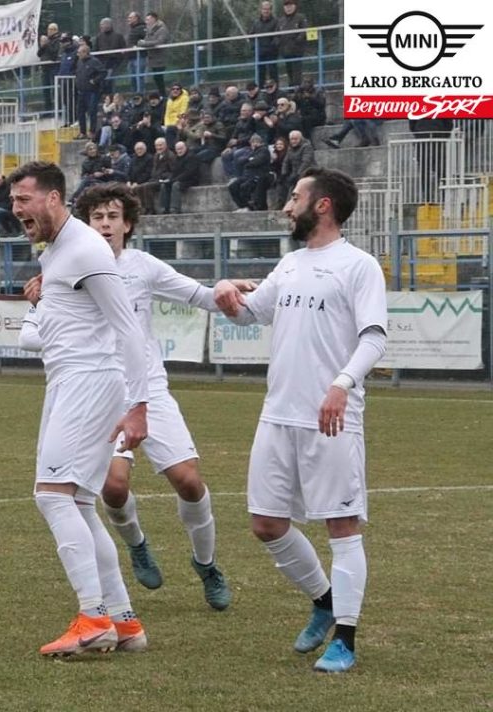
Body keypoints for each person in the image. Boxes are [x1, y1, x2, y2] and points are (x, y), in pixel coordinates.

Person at [24, 182, 240, 610]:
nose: (105, 224)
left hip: (150, 390)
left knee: (188, 480)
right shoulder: (63, 264)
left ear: (128, 224)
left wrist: (229, 289)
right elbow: (38, 330)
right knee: (114, 488)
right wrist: (37, 306)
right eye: (97, 217)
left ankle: (206, 563)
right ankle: (137, 545)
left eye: (113, 217)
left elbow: (199, 296)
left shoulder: (144, 267)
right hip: (104, 389)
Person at [214, 167, 387, 673]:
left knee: (341, 526)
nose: (287, 207)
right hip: (278, 415)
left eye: (295, 198)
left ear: (323, 206)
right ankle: (324, 600)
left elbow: (374, 337)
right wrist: (226, 295)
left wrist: (341, 385)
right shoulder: (290, 265)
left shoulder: (358, 266)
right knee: (266, 523)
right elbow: (250, 313)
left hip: (331, 418)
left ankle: (347, 640)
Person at [8, 161, 150, 657]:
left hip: (90, 382)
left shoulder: (86, 248)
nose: (15, 209)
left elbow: (129, 329)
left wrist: (140, 406)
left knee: (51, 496)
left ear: (52, 198)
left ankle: (93, 616)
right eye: (12, 202)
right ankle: (125, 621)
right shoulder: (58, 252)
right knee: (79, 504)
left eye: (23, 200)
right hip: (71, 381)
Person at [277, 0, 308, 88]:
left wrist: (297, 40)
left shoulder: (300, 17)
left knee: (297, 71)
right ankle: (291, 88)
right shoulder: (281, 20)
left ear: (295, 6)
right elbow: (277, 34)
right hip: (285, 51)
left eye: (290, 5)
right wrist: (277, 42)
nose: (288, 8)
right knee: (289, 71)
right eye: (286, 6)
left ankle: (297, 89)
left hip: (297, 50)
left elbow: (304, 30)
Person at [138, 12, 169, 98]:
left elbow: (159, 42)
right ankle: (162, 95)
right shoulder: (149, 30)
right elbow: (146, 40)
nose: (146, 21)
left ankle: (164, 96)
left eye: (148, 19)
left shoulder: (162, 29)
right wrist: (142, 43)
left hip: (160, 58)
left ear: (153, 19)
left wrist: (144, 43)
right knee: (157, 78)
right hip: (153, 59)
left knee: (159, 78)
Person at [251, 2, 280, 87]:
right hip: (260, 52)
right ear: (261, 10)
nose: (266, 11)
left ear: (271, 10)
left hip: (271, 52)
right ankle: (260, 90)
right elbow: (251, 35)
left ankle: (275, 88)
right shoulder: (256, 22)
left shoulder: (275, 21)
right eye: (264, 9)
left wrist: (273, 46)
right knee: (260, 72)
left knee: (273, 71)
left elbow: (278, 35)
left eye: (268, 9)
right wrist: (253, 47)